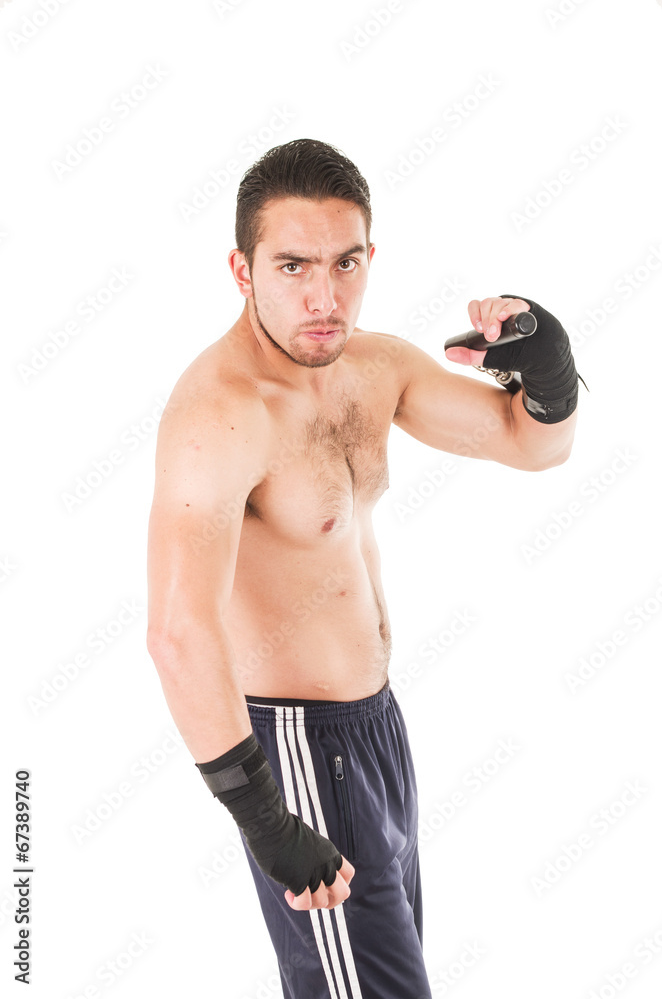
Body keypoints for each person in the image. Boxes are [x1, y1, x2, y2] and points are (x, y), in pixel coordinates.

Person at [146, 137, 582, 998]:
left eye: (346, 263)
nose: (324, 295)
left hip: (377, 732)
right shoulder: (221, 415)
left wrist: (550, 368)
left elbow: (533, 445)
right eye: (294, 266)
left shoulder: (372, 369)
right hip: (298, 754)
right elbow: (176, 632)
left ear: (371, 257)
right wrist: (264, 816)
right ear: (243, 269)